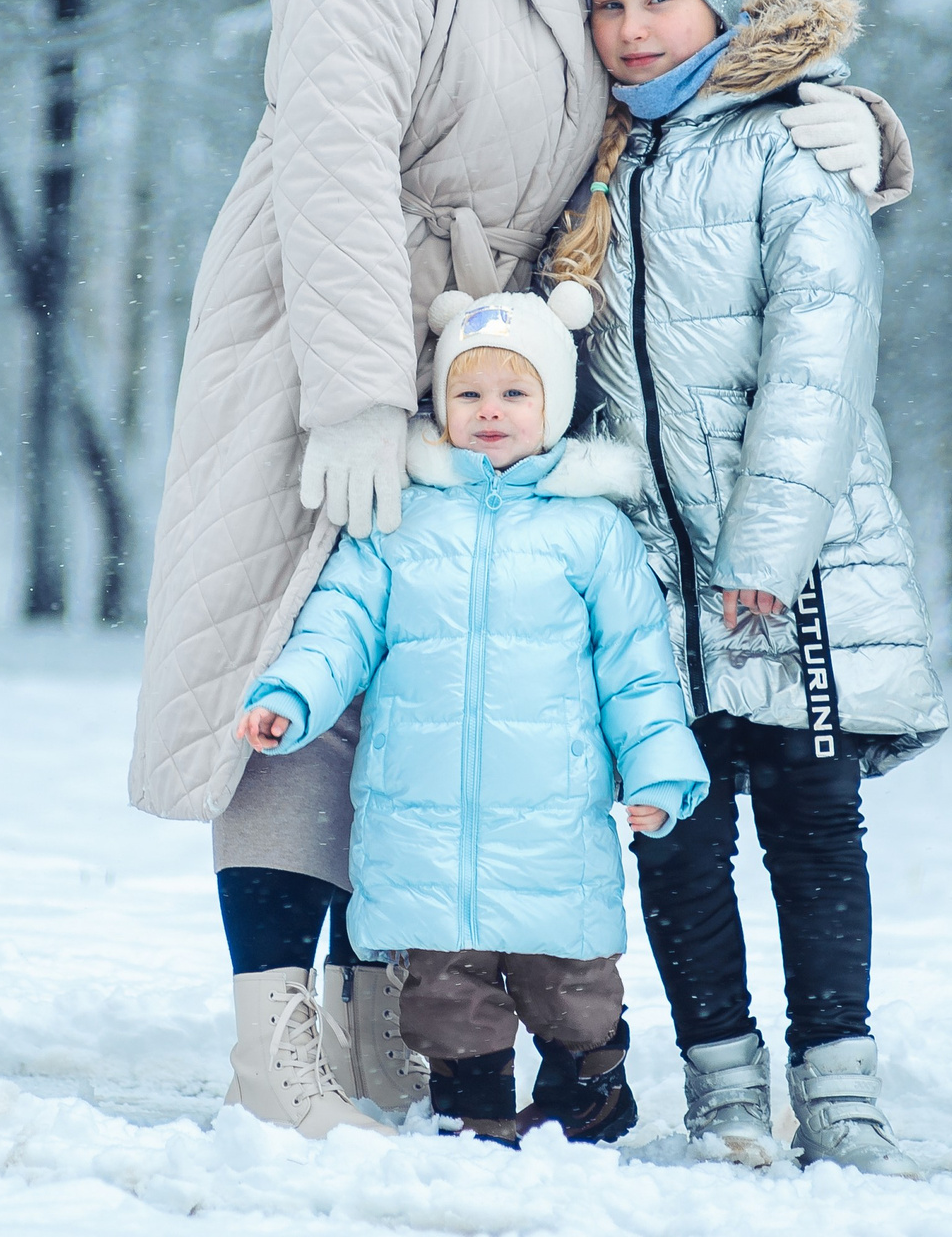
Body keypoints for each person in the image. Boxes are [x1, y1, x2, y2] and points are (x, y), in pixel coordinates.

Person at [125, 0, 896, 1135]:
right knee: (304, 660)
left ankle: (374, 1018)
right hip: (332, 305)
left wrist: (858, 131)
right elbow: (331, 138)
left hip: (498, 346)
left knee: (434, 678)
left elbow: (693, 75)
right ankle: (273, 1033)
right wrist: (351, 385)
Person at [546, 0, 949, 1176]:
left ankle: (840, 1084)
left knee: (813, 820)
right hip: (652, 573)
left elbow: (820, 363)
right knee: (678, 822)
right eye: (609, 4)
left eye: (658, 0)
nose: (631, 27)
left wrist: (766, 556)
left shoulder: (796, 147)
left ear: (717, 6)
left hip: (797, 563)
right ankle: (721, 1083)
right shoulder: (599, 160)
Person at [233, 286, 709, 1144]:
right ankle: (472, 1105)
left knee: (570, 986)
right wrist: (292, 696)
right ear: (441, 405)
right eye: (469, 394)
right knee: (444, 991)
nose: (491, 412)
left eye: (514, 393)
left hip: (552, 824)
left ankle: (590, 1086)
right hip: (425, 821)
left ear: (555, 406)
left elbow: (636, 667)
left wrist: (660, 770)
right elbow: (338, 622)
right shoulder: (398, 521)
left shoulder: (592, 534)